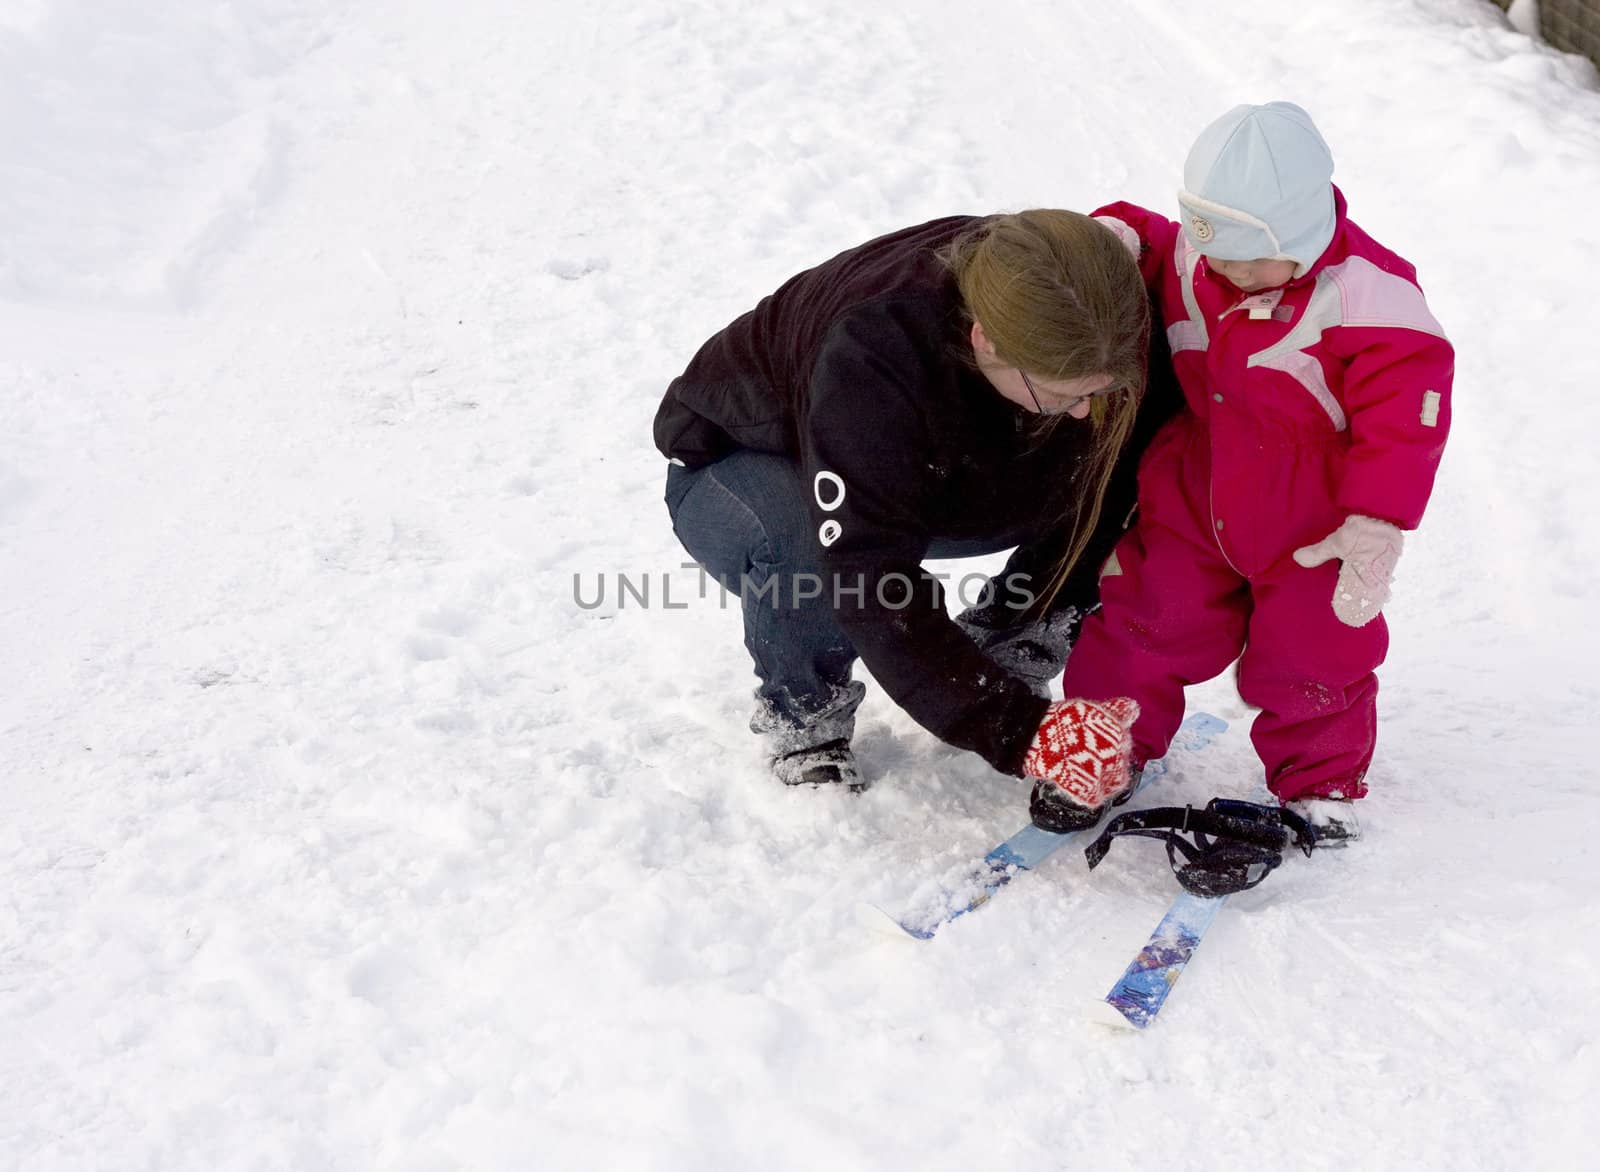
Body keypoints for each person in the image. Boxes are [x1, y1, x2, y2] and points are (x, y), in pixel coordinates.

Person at [1034, 102, 1454, 842]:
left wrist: (1376, 519)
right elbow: (1146, 238)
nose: (1230, 273)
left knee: (1315, 652)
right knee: (1141, 622)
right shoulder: (1198, 260)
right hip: (1196, 493)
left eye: (1250, 259)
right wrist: (1111, 238)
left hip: (1314, 520)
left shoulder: (1370, 296)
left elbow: (1408, 417)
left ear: (1305, 234)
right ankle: (1098, 751)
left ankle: (1321, 784)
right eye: (1216, 253)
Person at [654, 211, 1178, 791]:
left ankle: (1008, 642)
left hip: (932, 470)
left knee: (1119, 458)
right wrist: (1015, 730)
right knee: (808, 548)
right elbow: (867, 574)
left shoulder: (1099, 303)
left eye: (1097, 388)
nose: (1081, 408)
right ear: (987, 339)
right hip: (743, 466)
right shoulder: (876, 353)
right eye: (1060, 393)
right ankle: (806, 715)